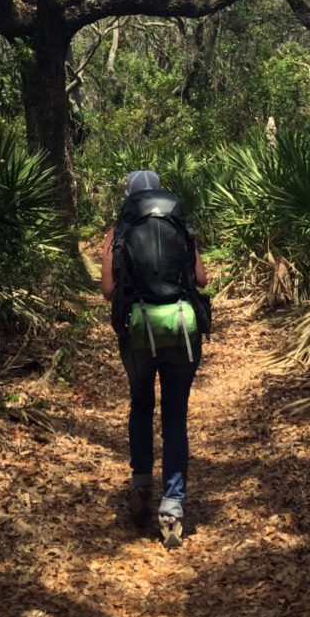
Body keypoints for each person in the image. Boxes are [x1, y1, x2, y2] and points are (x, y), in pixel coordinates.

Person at [101, 169, 208, 548]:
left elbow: (108, 289)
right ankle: (173, 504)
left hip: (139, 331)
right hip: (181, 328)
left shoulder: (120, 228)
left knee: (142, 405)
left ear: (130, 194)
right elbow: (201, 279)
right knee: (175, 414)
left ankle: (142, 485)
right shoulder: (179, 220)